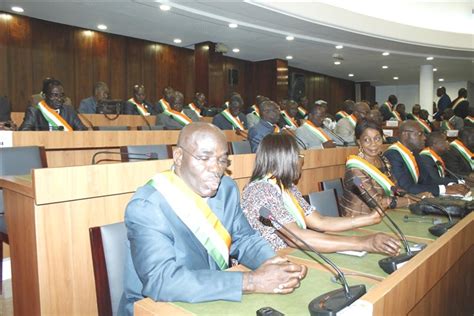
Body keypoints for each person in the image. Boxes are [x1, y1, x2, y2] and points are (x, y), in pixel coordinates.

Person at [119, 123, 307, 315]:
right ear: (179, 157)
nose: (216, 168)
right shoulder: (148, 205)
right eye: (204, 158)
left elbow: (245, 239)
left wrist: (276, 264)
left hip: (215, 294)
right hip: (156, 305)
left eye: (222, 160)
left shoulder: (226, 189)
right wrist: (251, 281)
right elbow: (162, 281)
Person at [241, 133, 400, 255]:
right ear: (286, 159)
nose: (301, 162)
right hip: (269, 264)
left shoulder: (286, 187)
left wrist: (369, 218)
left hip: (290, 256)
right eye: (299, 156)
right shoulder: (261, 191)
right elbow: (296, 237)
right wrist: (363, 242)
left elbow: (320, 221)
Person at [340, 120, 419, 217]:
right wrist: (412, 200)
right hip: (357, 221)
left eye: (377, 139)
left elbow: (394, 188)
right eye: (367, 140)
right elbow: (378, 202)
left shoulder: (383, 159)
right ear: (359, 142)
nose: (373, 144)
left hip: (383, 216)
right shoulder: (355, 170)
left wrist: (418, 197)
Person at [384, 121, 467, 196]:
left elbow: (427, 180)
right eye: (420, 134)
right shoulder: (392, 155)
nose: (424, 138)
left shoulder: (414, 153)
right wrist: (443, 189)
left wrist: (452, 185)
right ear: (405, 134)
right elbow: (406, 188)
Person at [19, 79, 87, 131]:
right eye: (54, 95)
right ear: (44, 96)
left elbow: (83, 131)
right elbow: (24, 132)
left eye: (61, 95)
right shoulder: (34, 112)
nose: (59, 99)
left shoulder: (69, 111)